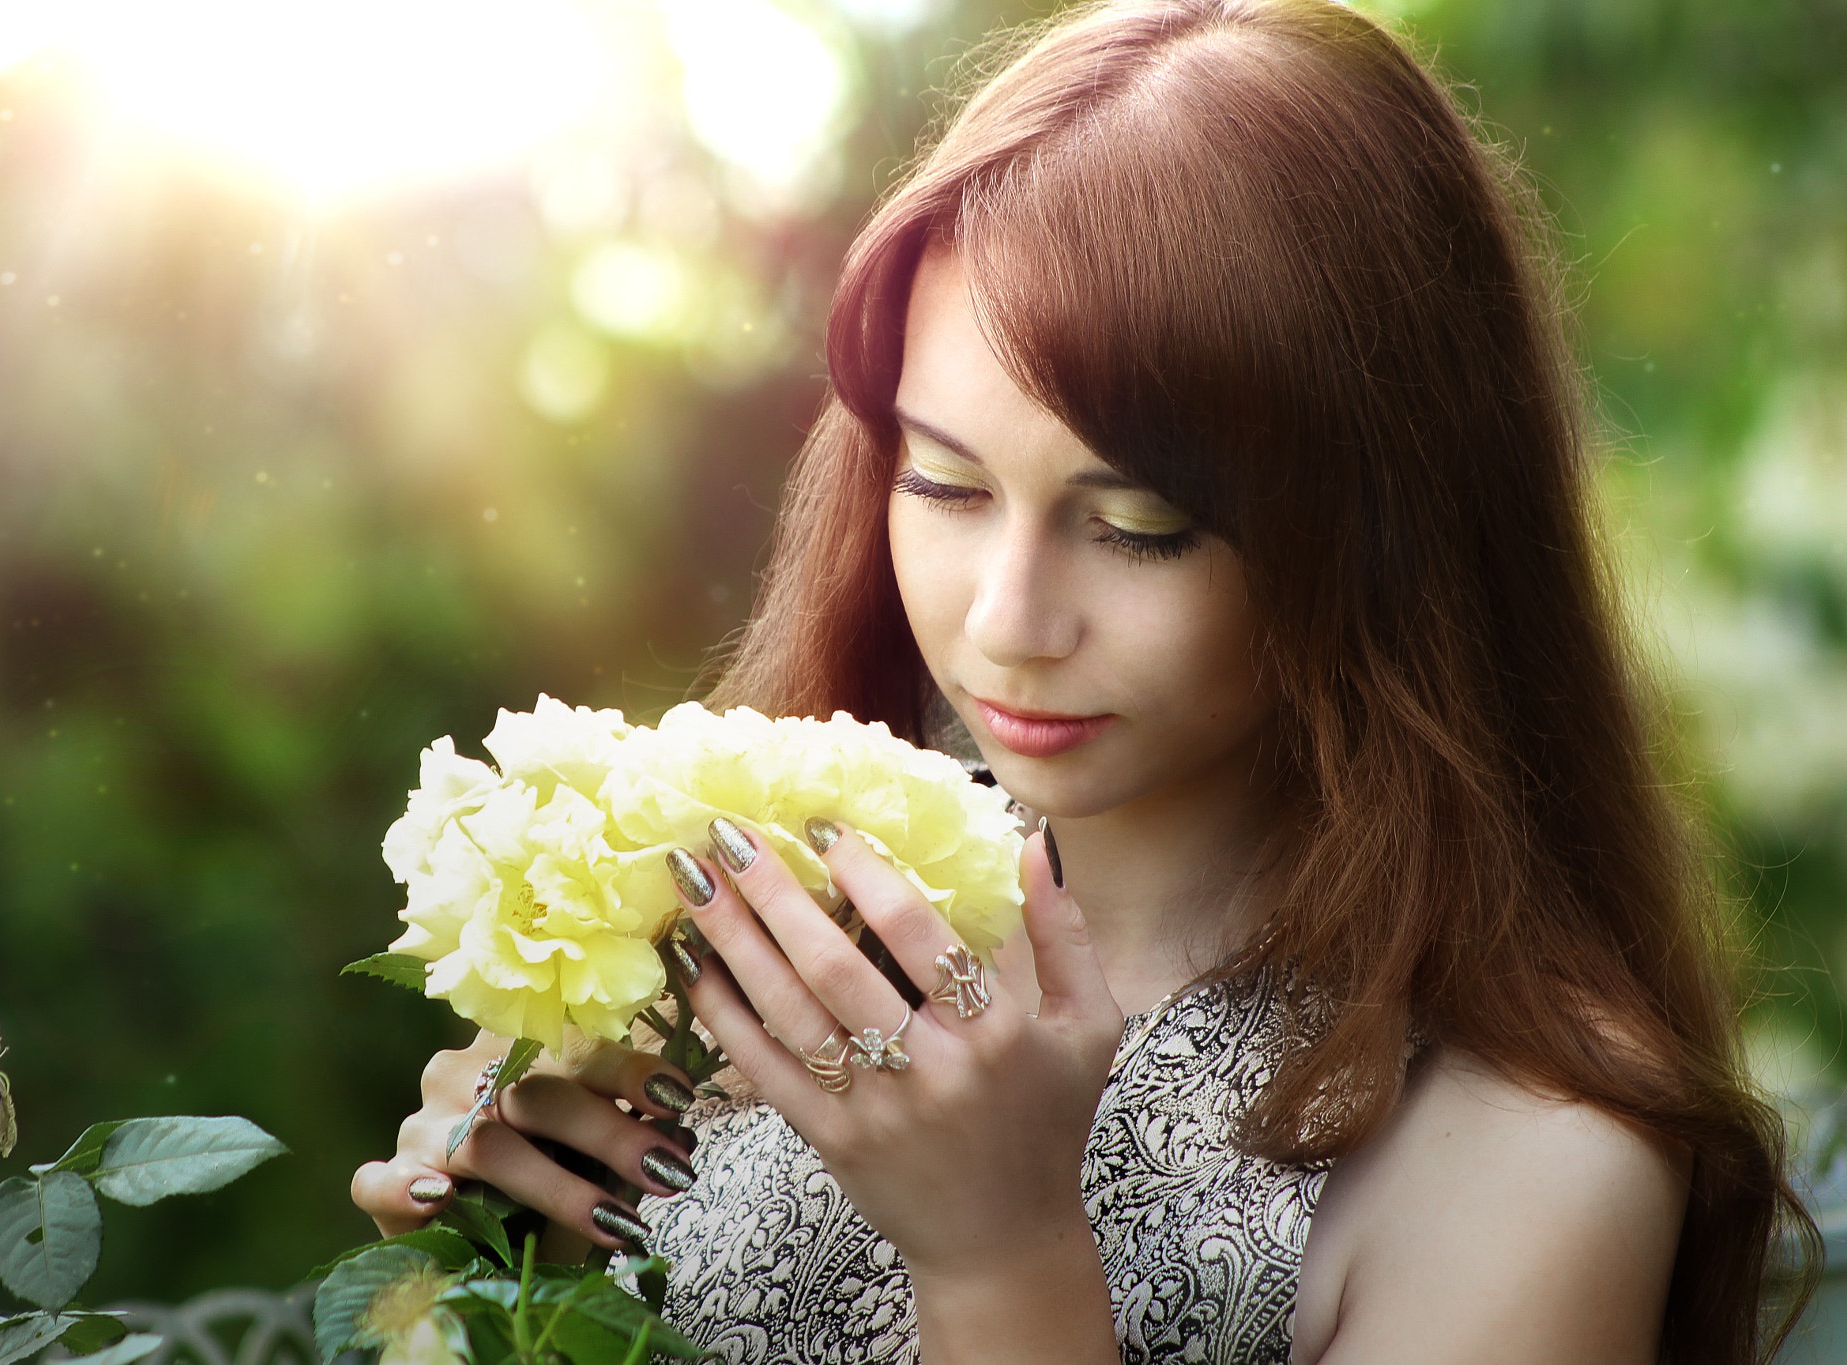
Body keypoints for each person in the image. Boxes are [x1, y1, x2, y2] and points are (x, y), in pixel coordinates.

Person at [352, 1, 1815, 1360]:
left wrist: (1000, 1255)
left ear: (1389, 529)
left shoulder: (1529, 1131)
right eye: (945, 482)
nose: (1007, 618)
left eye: (1136, 529)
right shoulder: (802, 919)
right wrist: (484, 1261)